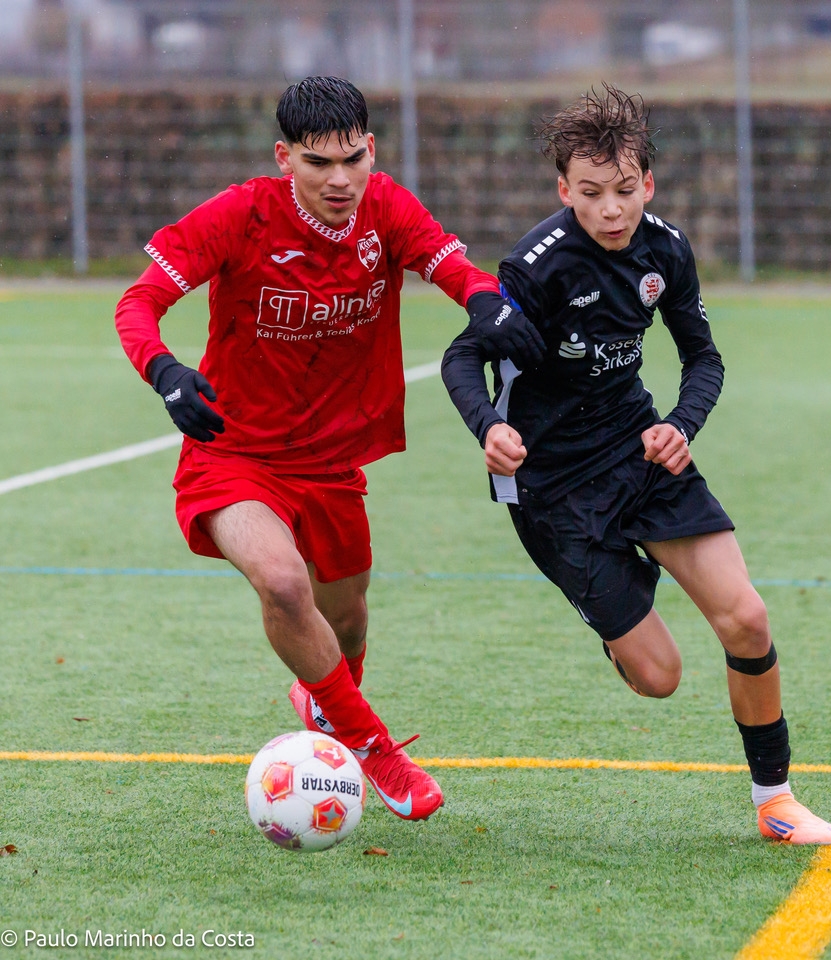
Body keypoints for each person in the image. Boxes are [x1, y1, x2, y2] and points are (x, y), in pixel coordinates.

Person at [115, 76, 544, 822]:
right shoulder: (241, 214)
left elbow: (452, 267)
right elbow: (138, 302)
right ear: (285, 158)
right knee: (284, 585)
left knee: (346, 622)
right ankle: (374, 747)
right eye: (318, 163)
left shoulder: (388, 207)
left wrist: (485, 304)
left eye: (352, 159)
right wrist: (165, 372)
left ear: (370, 149)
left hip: (331, 462)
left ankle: (323, 701)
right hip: (233, 455)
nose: (340, 179)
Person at [442, 85, 831, 845]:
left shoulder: (666, 250)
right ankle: (616, 614)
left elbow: (703, 358)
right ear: (564, 191)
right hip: (552, 487)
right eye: (591, 193)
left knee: (747, 619)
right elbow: (462, 357)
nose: (611, 210)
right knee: (659, 678)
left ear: (647, 183)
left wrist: (680, 426)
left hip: (637, 448)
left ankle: (775, 801)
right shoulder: (536, 266)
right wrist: (488, 427)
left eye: (624, 190)